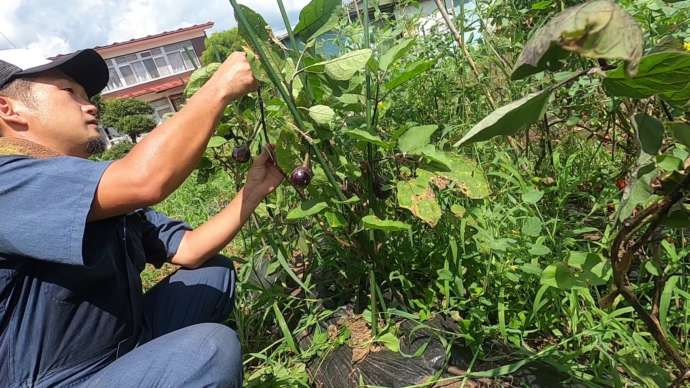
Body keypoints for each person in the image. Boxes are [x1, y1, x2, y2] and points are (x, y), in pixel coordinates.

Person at [0, 47, 283, 387]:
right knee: (209, 349)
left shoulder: (94, 186)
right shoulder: (7, 181)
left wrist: (252, 192)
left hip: (126, 346)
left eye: (88, 96)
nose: (91, 105)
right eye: (70, 92)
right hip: (59, 380)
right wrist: (218, 88)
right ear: (9, 109)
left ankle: (160, 367)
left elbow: (189, 249)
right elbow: (145, 180)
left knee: (213, 272)